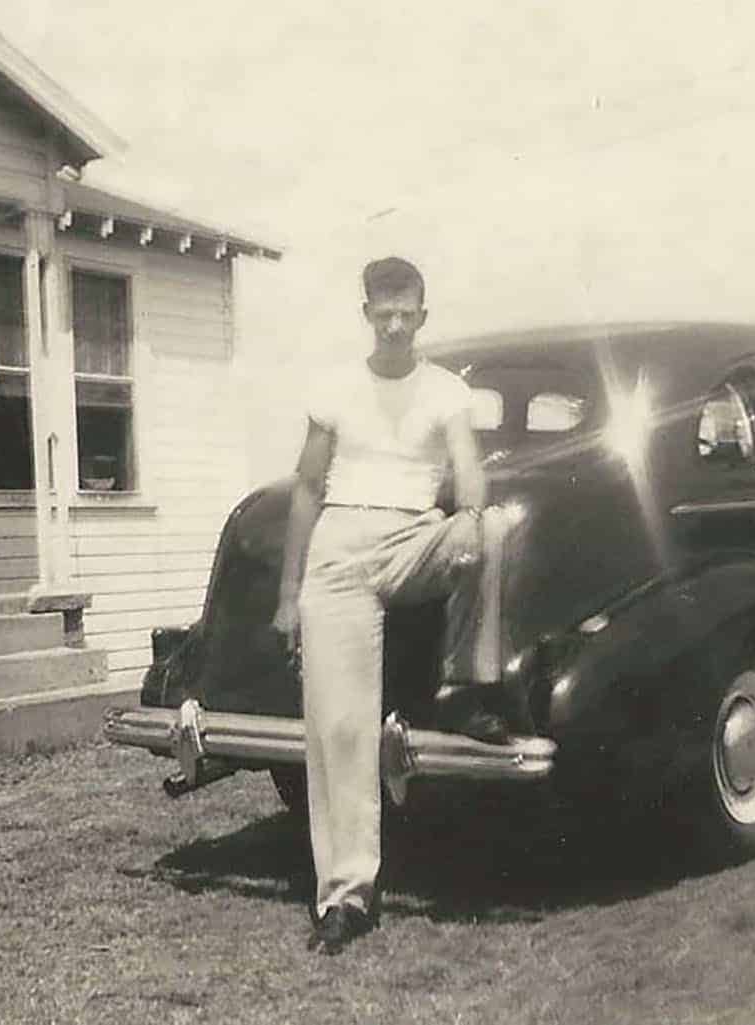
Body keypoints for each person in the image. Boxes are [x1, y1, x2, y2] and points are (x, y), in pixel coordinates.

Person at [271, 256, 522, 955]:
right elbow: (305, 489)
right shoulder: (334, 389)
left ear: (421, 315)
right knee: (340, 730)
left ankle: (466, 687)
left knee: (494, 527)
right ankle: (346, 897)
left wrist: (468, 512)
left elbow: (469, 466)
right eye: (381, 311)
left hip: (414, 539)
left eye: (404, 311)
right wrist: (290, 592)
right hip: (340, 552)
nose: (392, 323)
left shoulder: (445, 391)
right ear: (366, 314)